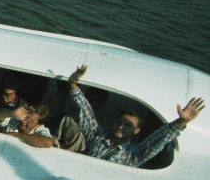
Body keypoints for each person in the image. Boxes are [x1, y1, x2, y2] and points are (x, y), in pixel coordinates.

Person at [66, 64, 204, 167]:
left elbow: (159, 139)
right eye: (120, 122)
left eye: (128, 125)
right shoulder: (97, 136)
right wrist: (73, 85)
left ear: (136, 131)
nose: (121, 126)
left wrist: (181, 121)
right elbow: (86, 114)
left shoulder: (134, 153)